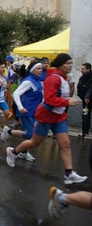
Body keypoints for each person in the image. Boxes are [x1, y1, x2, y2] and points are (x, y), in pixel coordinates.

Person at [5, 53, 88, 184]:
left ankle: (69, 173)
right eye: (68, 63)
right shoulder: (53, 78)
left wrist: (66, 100)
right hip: (46, 115)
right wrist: (67, 102)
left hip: (58, 116)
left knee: (65, 144)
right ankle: (13, 152)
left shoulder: (61, 77)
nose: (71, 65)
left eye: (71, 63)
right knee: (34, 142)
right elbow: (49, 99)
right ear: (60, 65)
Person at [0, 61, 43, 162]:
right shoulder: (29, 81)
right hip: (26, 111)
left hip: (35, 112)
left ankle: (23, 152)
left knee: (31, 133)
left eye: (41, 68)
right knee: (30, 135)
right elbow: (16, 93)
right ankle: (10, 138)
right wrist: (20, 107)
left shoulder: (38, 81)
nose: (41, 70)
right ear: (32, 70)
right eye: (38, 68)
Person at [77, 63, 92, 137]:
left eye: (83, 69)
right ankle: (85, 131)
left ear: (88, 69)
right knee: (85, 115)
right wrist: (80, 95)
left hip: (88, 99)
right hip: (85, 100)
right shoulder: (82, 77)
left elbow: (91, 88)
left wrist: (87, 96)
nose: (81, 70)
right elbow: (79, 86)